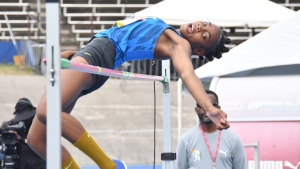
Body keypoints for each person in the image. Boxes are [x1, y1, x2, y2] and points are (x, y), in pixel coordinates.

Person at [27, 17, 231, 169]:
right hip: (93, 54)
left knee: (47, 111)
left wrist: (208, 107)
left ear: (200, 51)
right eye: (204, 24)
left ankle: (109, 166)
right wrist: (76, 54)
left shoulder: (179, 44)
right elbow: (119, 36)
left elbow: (187, 73)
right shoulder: (169, 31)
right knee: (37, 140)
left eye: (204, 35)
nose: (199, 27)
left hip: (98, 57)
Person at [176, 90, 247, 169]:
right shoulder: (186, 140)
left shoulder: (233, 139)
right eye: (201, 105)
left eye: (212, 105)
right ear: (196, 110)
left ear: (218, 108)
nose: (206, 109)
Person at [2, 98, 46, 169]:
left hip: (39, 164)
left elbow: (38, 143)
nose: (26, 120)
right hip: (21, 164)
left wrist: (20, 138)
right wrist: (4, 133)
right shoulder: (12, 125)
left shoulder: (40, 125)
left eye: (28, 117)